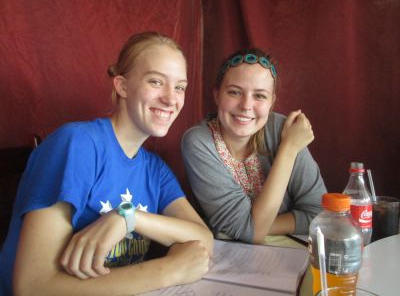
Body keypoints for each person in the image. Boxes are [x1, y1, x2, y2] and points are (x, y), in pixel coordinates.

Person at [0, 32, 213, 296]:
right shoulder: (76, 144)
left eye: (180, 86)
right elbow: (32, 286)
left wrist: (129, 218)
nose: (171, 99)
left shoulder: (155, 169)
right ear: (122, 86)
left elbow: (202, 238)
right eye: (156, 81)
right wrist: (169, 270)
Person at [181, 48, 326, 244]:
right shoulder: (198, 142)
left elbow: (319, 214)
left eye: (259, 96)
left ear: (272, 101)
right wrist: (289, 149)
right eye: (234, 92)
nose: (246, 105)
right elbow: (252, 233)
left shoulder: (286, 130)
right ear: (217, 95)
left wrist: (250, 227)